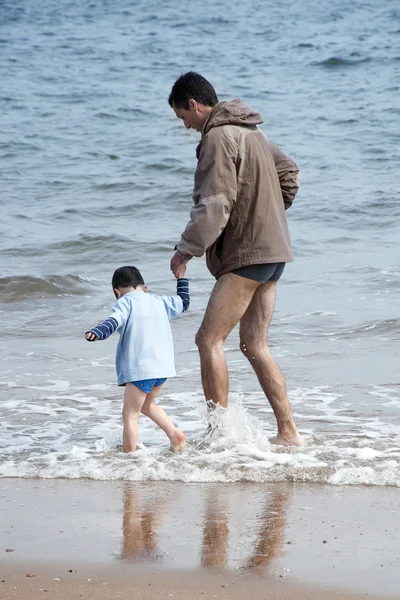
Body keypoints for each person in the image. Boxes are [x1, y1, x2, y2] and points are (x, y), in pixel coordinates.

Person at [168, 71, 303, 446]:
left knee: (208, 339)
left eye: (183, 117)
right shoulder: (252, 132)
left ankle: (218, 436)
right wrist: (270, 216)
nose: (186, 126)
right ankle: (288, 432)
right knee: (254, 344)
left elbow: (215, 205)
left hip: (248, 254)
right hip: (273, 252)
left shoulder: (217, 136)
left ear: (194, 105)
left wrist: (185, 252)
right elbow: (289, 173)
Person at [85, 265, 190, 452]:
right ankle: (174, 434)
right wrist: (181, 277)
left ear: (117, 292)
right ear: (145, 288)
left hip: (141, 369)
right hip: (162, 368)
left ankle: (129, 458)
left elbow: (113, 321)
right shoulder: (159, 300)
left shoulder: (125, 302)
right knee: (146, 406)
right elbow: (184, 302)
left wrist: (98, 332)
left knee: (130, 415)